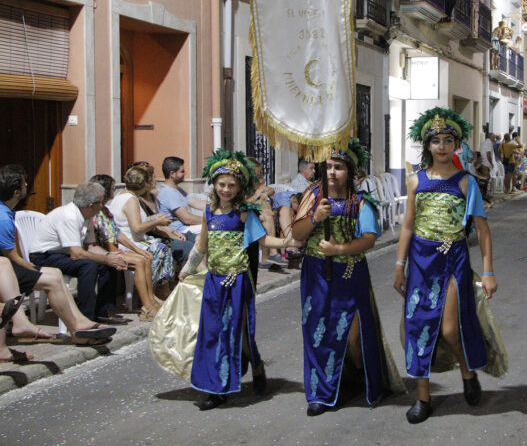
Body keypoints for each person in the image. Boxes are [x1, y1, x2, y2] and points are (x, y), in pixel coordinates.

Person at [394, 108, 501, 424]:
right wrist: (399, 266)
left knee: (450, 329)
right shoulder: (415, 181)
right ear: (427, 145)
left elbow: (482, 229)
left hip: (453, 260)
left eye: (448, 140)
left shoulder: (467, 183)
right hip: (420, 263)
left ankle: (467, 373)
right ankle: (423, 399)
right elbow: (408, 226)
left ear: (457, 145)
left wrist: (489, 272)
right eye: (436, 140)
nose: (442, 146)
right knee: (418, 328)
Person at [178, 149, 300, 411]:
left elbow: (262, 240)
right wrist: (187, 268)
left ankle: (255, 366)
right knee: (212, 333)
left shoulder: (244, 214)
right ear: (214, 185)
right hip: (214, 281)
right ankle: (216, 389)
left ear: (239, 187)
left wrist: (287, 241)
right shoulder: (209, 212)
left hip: (238, 282)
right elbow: (202, 243)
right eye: (221, 184)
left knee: (239, 334)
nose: (225, 189)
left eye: (231, 185)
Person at [292, 139, 402, 416]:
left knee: (352, 336)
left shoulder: (361, 201)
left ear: (350, 172)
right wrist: (316, 217)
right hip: (315, 274)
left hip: (349, 274)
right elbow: (297, 234)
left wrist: (339, 248)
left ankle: (357, 376)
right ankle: (319, 393)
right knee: (318, 333)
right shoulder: (312, 195)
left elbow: (368, 240)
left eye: (338, 167)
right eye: (327, 166)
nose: (331, 172)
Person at [0, 166, 116, 344]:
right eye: (24, 184)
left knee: (57, 274)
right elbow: (12, 257)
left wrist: (109, 258)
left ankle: (82, 321)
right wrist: (34, 268)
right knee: (80, 268)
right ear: (16, 192)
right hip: (35, 258)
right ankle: (78, 329)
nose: (27, 185)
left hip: (25, 262)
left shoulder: (6, 213)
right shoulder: (4, 218)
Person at [28, 182, 127, 323]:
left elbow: (91, 246)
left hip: (64, 253)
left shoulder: (87, 216)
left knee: (107, 265)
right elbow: (77, 254)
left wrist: (110, 257)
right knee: (88, 266)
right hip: (44, 255)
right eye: (100, 202)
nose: (102, 205)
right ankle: (85, 317)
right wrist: (105, 259)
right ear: (91, 205)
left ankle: (101, 311)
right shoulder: (69, 216)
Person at [104, 170, 175, 319]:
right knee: (162, 249)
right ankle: (154, 293)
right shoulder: (131, 200)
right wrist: (158, 222)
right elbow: (136, 228)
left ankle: (153, 296)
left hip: (130, 240)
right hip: (130, 243)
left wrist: (153, 219)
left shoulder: (123, 196)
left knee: (162, 246)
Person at [158, 156, 204, 240]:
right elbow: (187, 219)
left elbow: (197, 203)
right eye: (182, 171)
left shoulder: (177, 190)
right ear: (172, 174)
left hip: (186, 228)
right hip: (180, 232)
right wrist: (210, 219)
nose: (185, 174)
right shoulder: (169, 193)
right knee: (216, 227)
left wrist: (218, 206)